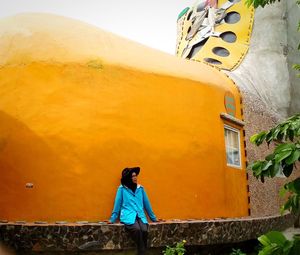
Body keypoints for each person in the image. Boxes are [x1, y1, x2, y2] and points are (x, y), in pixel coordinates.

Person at [109, 167, 157, 255]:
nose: (135, 178)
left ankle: (141, 251)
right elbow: (117, 204)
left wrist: (154, 219)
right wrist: (112, 219)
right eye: (133, 176)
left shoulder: (141, 188)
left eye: (136, 176)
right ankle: (142, 252)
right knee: (137, 229)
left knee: (144, 230)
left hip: (140, 215)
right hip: (128, 215)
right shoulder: (122, 189)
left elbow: (147, 204)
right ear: (128, 178)